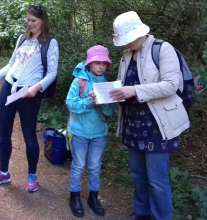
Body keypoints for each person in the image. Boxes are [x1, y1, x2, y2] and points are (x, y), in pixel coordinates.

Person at [108, 11, 190, 220]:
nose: (125, 45)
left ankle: (161, 216)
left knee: (157, 179)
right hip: (133, 125)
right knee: (137, 174)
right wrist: (104, 94)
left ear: (138, 32)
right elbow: (121, 85)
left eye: (128, 40)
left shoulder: (163, 49)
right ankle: (142, 213)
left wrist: (135, 91)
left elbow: (171, 85)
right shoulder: (126, 55)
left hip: (157, 126)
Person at [0, 4, 59, 192]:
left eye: (33, 20)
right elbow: (12, 64)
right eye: (28, 20)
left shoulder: (50, 43)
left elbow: (52, 73)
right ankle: (3, 172)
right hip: (10, 87)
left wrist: (36, 88)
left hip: (29, 92)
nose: (30, 23)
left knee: (29, 135)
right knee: (3, 133)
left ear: (42, 21)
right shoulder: (22, 39)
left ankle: (32, 175)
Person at [66, 45, 114, 217]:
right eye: (97, 63)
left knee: (94, 166)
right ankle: (75, 196)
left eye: (104, 63)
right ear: (89, 63)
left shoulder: (107, 85)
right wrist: (88, 101)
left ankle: (93, 197)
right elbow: (70, 104)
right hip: (79, 132)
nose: (101, 66)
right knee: (78, 166)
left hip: (99, 133)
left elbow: (110, 112)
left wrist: (102, 104)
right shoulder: (78, 81)